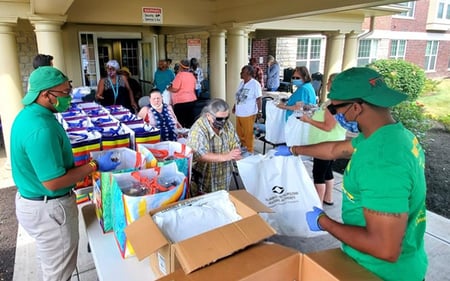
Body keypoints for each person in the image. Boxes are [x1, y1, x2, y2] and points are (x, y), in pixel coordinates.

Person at [275, 67, 428, 281]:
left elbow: (385, 248)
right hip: (391, 261)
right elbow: (336, 149)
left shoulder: (382, 161)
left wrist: (323, 222)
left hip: (382, 273)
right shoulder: (391, 136)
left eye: (335, 109)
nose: (335, 114)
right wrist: (294, 150)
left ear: (356, 107)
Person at [10, 66, 120, 281]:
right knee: (59, 273)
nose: (70, 97)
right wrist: (94, 166)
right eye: (64, 93)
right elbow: (53, 182)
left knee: (51, 262)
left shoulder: (28, 115)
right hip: (49, 208)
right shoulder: (41, 128)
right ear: (45, 95)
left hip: (32, 201)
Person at [299, 72, 346, 205]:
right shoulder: (337, 101)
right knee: (327, 171)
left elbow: (327, 126)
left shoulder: (334, 105)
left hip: (325, 145)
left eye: (329, 82)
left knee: (318, 174)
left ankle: (317, 204)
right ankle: (328, 198)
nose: (326, 85)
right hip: (331, 143)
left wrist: (308, 120)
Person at [186, 98, 242, 196]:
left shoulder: (227, 125)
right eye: (219, 119)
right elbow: (199, 154)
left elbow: (235, 142)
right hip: (204, 179)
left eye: (226, 117)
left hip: (224, 176)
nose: (223, 121)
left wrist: (236, 152)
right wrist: (226, 156)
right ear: (208, 116)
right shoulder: (198, 129)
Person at [232, 65, 262, 153]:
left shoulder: (255, 84)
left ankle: (250, 151)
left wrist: (260, 111)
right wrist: (235, 106)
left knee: (248, 134)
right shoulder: (241, 83)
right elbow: (239, 96)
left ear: (248, 73)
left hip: (248, 113)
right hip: (239, 113)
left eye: (242, 72)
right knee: (240, 134)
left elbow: (259, 99)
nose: (240, 73)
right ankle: (244, 149)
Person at [167, 59, 197, 128]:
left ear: (180, 66)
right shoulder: (192, 75)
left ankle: (182, 136)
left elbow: (175, 89)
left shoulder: (179, 75)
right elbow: (194, 87)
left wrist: (168, 88)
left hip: (181, 102)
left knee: (180, 122)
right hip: (192, 100)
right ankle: (189, 135)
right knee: (189, 120)